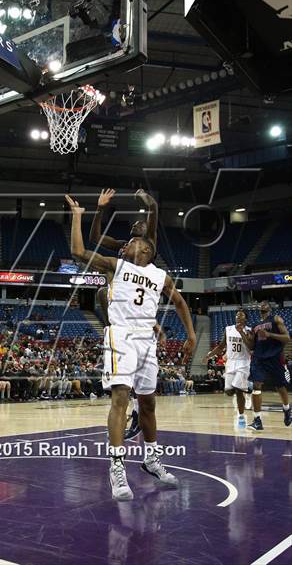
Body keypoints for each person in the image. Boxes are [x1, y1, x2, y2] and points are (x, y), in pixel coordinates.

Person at [66, 195, 196, 501]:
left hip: (146, 340)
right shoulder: (117, 263)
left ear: (148, 249)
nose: (128, 243)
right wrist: (78, 215)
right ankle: (117, 466)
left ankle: (151, 459)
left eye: (135, 241)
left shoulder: (160, 275)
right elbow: (79, 250)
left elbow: (179, 301)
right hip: (120, 335)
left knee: (148, 404)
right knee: (120, 398)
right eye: (128, 242)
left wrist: (190, 333)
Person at [90, 188, 159, 440]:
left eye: (141, 223)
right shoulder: (122, 247)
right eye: (135, 224)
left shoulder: (149, 243)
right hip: (125, 306)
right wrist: (100, 210)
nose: (137, 224)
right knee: (100, 292)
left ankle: (140, 413)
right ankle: (114, 330)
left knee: (141, 385)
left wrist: (146, 199)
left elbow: (154, 210)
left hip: (141, 302)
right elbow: (94, 238)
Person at [239, 301, 291, 430]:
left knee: (280, 387)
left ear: (269, 308)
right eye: (260, 304)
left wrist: (269, 334)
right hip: (259, 359)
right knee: (256, 385)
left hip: (274, 358)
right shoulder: (255, 325)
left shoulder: (276, 319)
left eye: (265, 304)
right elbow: (251, 346)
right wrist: (241, 333)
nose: (262, 305)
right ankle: (257, 420)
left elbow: (287, 338)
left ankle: (287, 409)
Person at [205, 310, 252, 428]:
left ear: (245, 319)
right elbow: (221, 346)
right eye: (237, 315)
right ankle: (248, 388)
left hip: (243, 362)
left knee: (238, 389)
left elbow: (251, 346)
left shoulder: (250, 330)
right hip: (231, 362)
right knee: (229, 391)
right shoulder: (228, 329)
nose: (238, 317)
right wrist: (209, 355)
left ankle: (241, 417)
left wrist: (242, 333)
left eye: (241, 316)